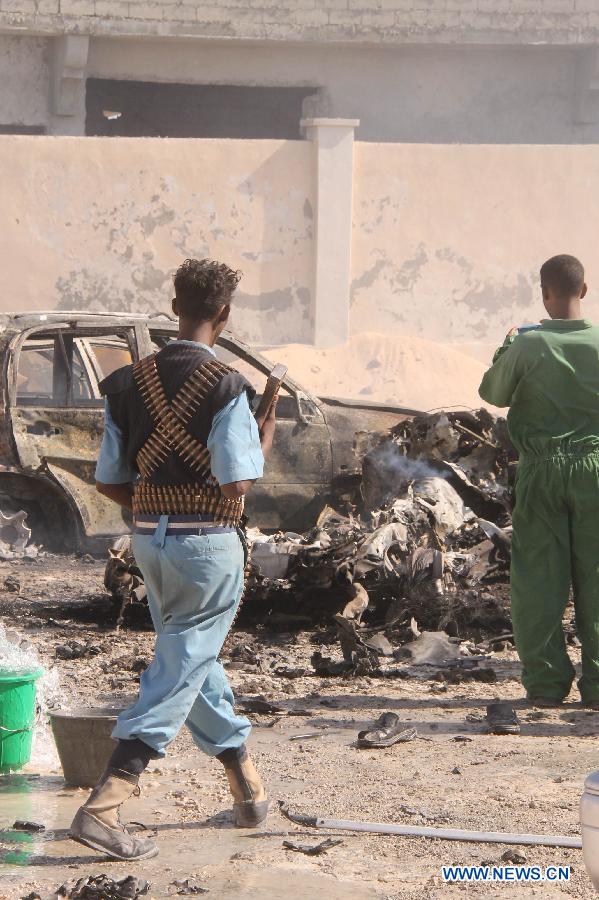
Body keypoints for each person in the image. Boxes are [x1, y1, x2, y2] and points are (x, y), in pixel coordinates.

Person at [70, 258, 277, 861]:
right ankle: (106, 803)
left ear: (174, 305)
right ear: (225, 313)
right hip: (208, 544)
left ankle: (247, 788)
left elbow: (109, 478)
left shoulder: (128, 381)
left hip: (148, 543)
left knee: (190, 655)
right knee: (184, 659)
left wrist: (156, 508)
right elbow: (237, 482)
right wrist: (264, 439)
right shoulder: (228, 384)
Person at [479, 254, 599, 710]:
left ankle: (548, 686)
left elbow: (492, 394)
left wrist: (505, 348)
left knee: (539, 581)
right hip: (596, 470)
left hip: (542, 472)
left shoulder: (528, 346)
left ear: (544, 293)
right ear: (584, 290)